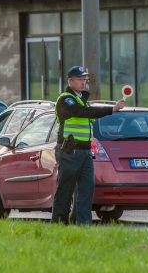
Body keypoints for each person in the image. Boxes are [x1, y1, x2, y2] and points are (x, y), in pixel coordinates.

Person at [51, 65, 125, 226]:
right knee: (66, 188)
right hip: (70, 150)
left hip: (85, 152)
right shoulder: (66, 99)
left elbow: (88, 114)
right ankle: (58, 223)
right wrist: (111, 109)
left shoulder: (82, 101)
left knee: (87, 188)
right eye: (80, 79)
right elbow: (83, 113)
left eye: (85, 79)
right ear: (70, 81)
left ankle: (83, 224)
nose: (83, 82)